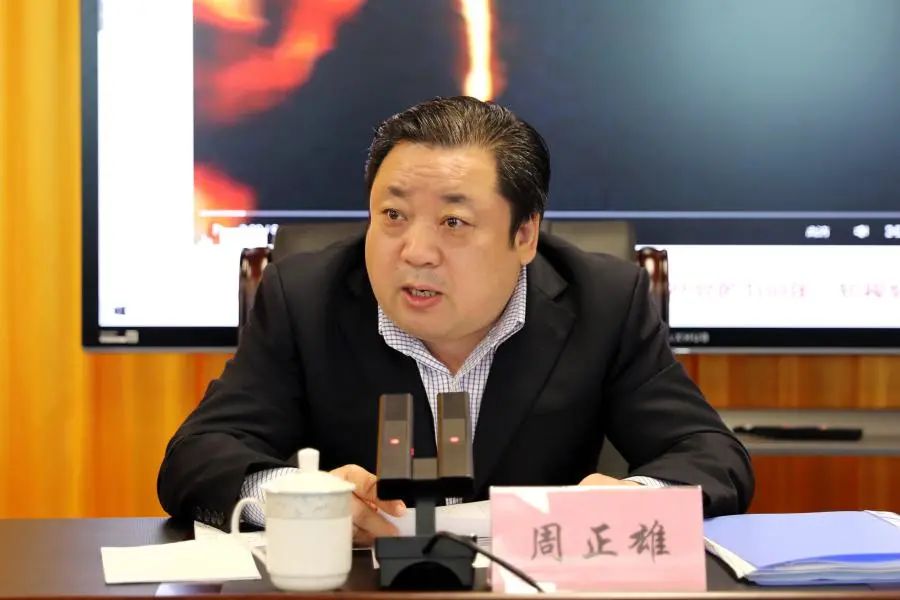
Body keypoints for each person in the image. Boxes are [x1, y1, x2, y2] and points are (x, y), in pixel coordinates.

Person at [158, 96, 754, 543]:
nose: (415, 251)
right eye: (393, 215)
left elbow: (709, 454)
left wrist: (636, 500)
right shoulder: (307, 297)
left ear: (525, 236)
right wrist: (300, 499)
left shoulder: (603, 300)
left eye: (453, 223)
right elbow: (197, 457)